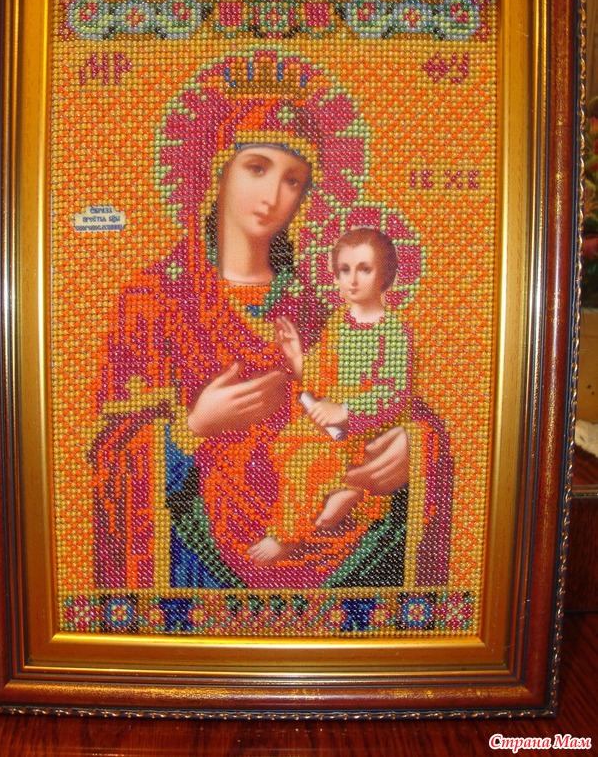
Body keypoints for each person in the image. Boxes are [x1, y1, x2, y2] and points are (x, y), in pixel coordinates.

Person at [91, 49, 452, 592]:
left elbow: (381, 389)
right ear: (217, 169)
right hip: (201, 550)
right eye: (256, 168)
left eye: (293, 180)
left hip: (333, 526)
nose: (273, 196)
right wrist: (191, 429)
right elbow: (106, 451)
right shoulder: (154, 302)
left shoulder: (317, 304)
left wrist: (413, 448)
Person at [248, 228, 412, 566]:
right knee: (283, 448)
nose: (352, 280)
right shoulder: (339, 322)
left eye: (364, 269)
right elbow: (321, 375)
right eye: (344, 270)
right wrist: (297, 358)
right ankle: (347, 491)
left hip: (363, 431)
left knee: (304, 463)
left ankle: (287, 536)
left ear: (385, 275)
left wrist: (346, 410)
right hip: (327, 423)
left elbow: (394, 395)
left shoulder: (393, 332)